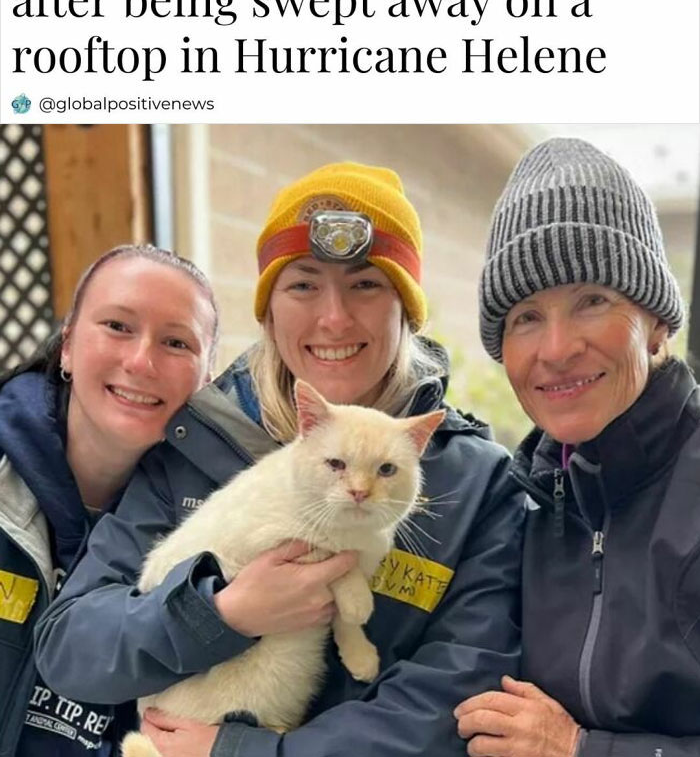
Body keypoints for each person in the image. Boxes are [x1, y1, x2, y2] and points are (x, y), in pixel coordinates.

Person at [35, 162, 525, 757]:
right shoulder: (193, 446)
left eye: (367, 284)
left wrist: (248, 753)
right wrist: (219, 613)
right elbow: (71, 649)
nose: (334, 317)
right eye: (302, 284)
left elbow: (463, 693)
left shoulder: (476, 483)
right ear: (268, 312)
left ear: (408, 310)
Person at [455, 137, 699, 757]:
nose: (556, 349)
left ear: (656, 326)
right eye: (525, 317)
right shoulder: (518, 505)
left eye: (592, 301)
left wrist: (580, 749)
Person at [0, 244, 218, 757]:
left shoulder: (215, 523)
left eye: (176, 342)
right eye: (118, 326)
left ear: (207, 380)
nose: (141, 361)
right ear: (69, 345)